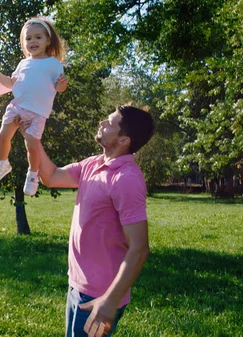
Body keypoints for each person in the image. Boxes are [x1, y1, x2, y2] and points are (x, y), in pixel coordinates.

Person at [36, 105, 155, 337]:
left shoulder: (126, 179)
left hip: (100, 295)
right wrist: (32, 136)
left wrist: (109, 301)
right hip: (78, 285)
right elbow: (50, 177)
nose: (102, 122)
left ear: (123, 140)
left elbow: (139, 249)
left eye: (110, 123)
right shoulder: (93, 164)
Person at [0, 16, 68, 196]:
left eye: (38, 37)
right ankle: (3, 163)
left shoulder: (54, 65)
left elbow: (59, 88)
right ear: (24, 43)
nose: (33, 41)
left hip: (38, 113)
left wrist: (62, 85)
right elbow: (11, 84)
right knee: (3, 135)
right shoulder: (23, 63)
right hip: (17, 106)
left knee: (32, 145)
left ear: (48, 41)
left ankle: (32, 175)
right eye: (28, 38)